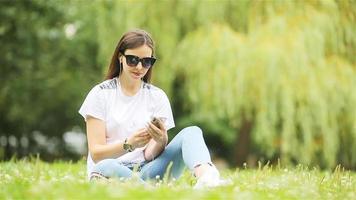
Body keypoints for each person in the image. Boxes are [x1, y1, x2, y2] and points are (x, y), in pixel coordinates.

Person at [78, 29, 228, 188]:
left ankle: (207, 178)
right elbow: (96, 154)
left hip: (148, 170)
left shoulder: (157, 96)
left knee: (192, 132)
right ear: (120, 58)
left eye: (147, 61)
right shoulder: (100, 94)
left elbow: (149, 155)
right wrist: (129, 144)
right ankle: (152, 193)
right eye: (132, 60)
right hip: (112, 169)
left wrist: (161, 140)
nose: (140, 67)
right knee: (105, 166)